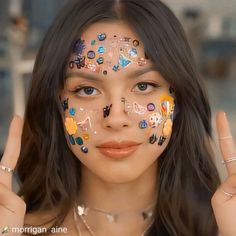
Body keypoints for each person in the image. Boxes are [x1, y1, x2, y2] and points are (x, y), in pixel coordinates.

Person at [0, 0, 235, 235]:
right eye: (87, 90)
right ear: (55, 104)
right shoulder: (14, 229)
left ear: (180, 99)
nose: (115, 118)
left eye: (143, 86)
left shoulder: (223, 226)